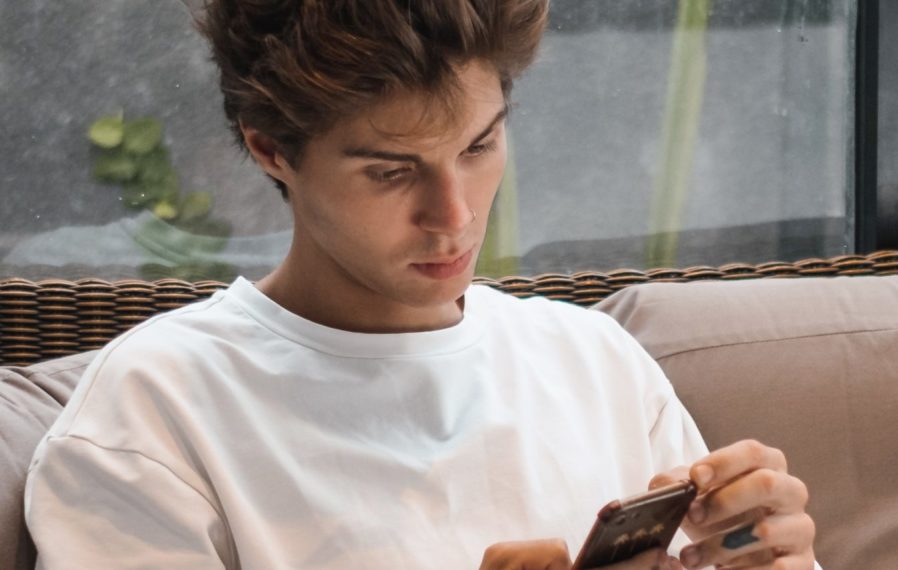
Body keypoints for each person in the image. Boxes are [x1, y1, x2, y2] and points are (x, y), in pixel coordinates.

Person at [24, 1, 818, 568]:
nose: (455, 216)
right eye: (391, 171)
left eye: (479, 146)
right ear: (271, 150)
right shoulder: (153, 414)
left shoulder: (593, 361)